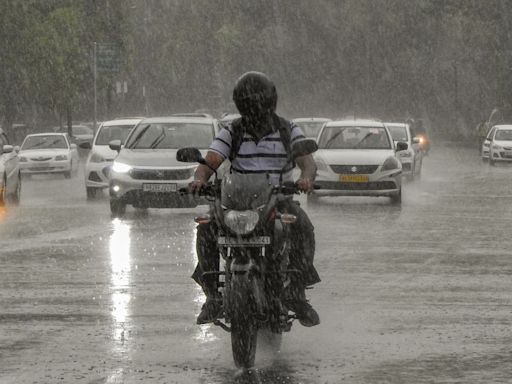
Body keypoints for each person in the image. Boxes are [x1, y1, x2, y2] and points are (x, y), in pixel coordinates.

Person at [189, 71, 321, 327]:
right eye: (249, 102)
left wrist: (306, 178)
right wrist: (199, 179)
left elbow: (308, 163)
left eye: (258, 101)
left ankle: (296, 292)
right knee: (206, 228)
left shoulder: (288, 129)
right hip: (237, 203)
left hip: (278, 200)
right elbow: (210, 162)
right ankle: (213, 296)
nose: (255, 107)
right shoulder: (232, 131)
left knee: (302, 226)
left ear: (270, 101)